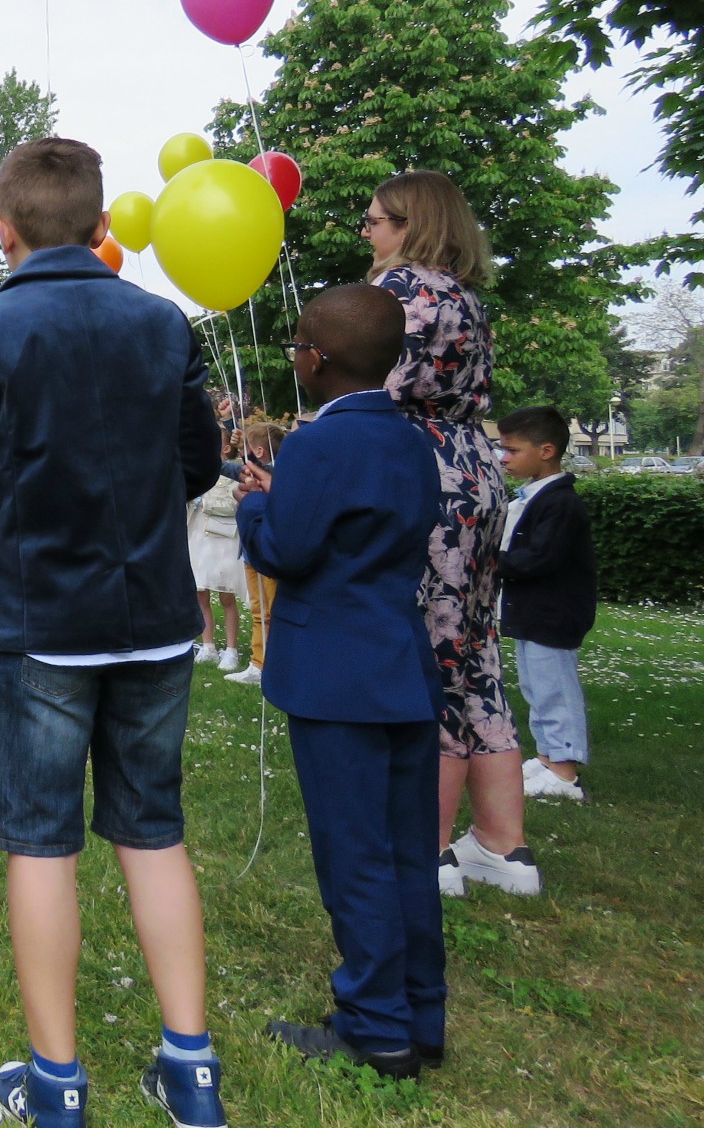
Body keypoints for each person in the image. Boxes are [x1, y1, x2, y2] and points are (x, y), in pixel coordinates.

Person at [0, 138, 226, 1128]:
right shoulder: (160, 322)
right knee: (153, 832)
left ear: (1, 230)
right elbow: (196, 463)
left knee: (41, 843)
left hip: (44, 618)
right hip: (149, 617)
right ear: (101, 228)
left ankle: (55, 1084)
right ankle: (190, 1070)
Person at [236, 284, 445, 1081]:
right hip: (402, 667)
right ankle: (423, 1012)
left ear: (315, 360)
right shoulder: (413, 440)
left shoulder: (317, 446)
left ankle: (375, 1025)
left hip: (335, 679)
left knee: (354, 855)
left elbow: (287, 551)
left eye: (296, 348)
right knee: (405, 854)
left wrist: (260, 506)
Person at [365, 170, 538, 897]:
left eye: (376, 219)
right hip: (476, 471)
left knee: (426, 653)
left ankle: (427, 847)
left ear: (410, 224)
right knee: (474, 655)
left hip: (421, 478)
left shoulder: (399, 296)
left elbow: (371, 394)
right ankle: (503, 845)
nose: (367, 231)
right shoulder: (465, 297)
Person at [494, 406, 598, 803]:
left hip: (553, 613)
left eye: (512, 450)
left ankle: (565, 771)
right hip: (532, 612)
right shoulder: (536, 497)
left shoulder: (560, 504)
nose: (504, 458)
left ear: (547, 450)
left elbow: (539, 559)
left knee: (555, 689)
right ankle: (547, 755)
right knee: (536, 686)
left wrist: (489, 561)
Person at [225, 416, 287, 688]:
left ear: (259, 452)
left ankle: (268, 664)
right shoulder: (260, 468)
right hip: (252, 551)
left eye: (249, 448)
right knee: (259, 609)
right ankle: (259, 661)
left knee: (269, 609)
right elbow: (233, 466)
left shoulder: (274, 474)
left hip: (265, 549)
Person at [187, 435, 246, 673]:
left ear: (225, 447)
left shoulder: (236, 471)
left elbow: (233, 503)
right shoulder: (198, 471)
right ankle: (208, 645)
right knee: (201, 592)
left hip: (223, 540)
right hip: (199, 537)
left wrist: (203, 502)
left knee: (226, 596)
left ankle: (231, 649)